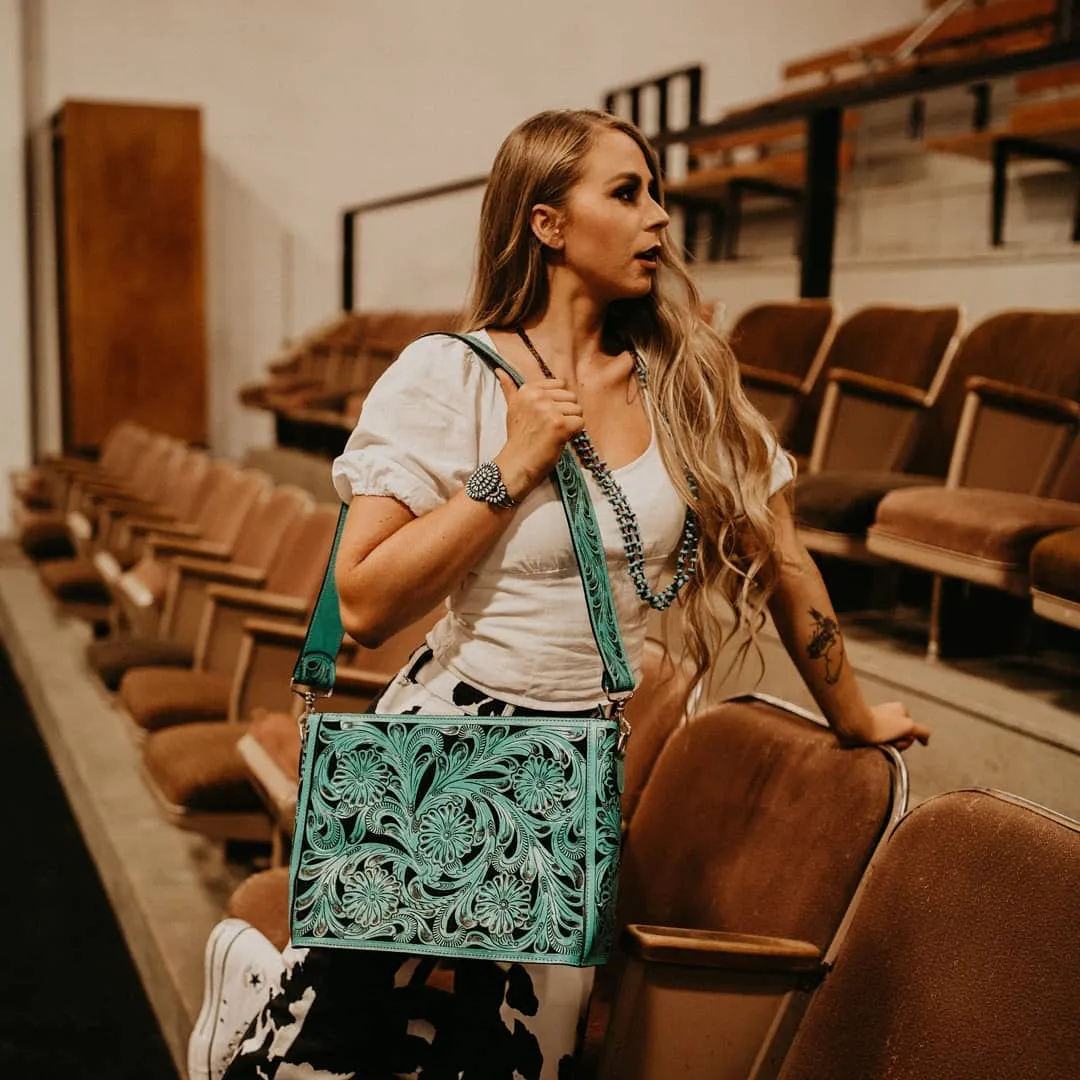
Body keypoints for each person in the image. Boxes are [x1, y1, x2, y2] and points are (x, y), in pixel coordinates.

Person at [200, 107, 929, 1080]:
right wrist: (508, 467)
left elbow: (787, 557)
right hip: (442, 745)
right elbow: (365, 601)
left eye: (658, 192)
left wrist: (853, 714)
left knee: (518, 1064)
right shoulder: (448, 375)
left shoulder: (689, 381)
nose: (660, 218)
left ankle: (271, 982)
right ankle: (258, 996)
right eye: (626, 193)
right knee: (333, 1058)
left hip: (577, 763)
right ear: (547, 224)